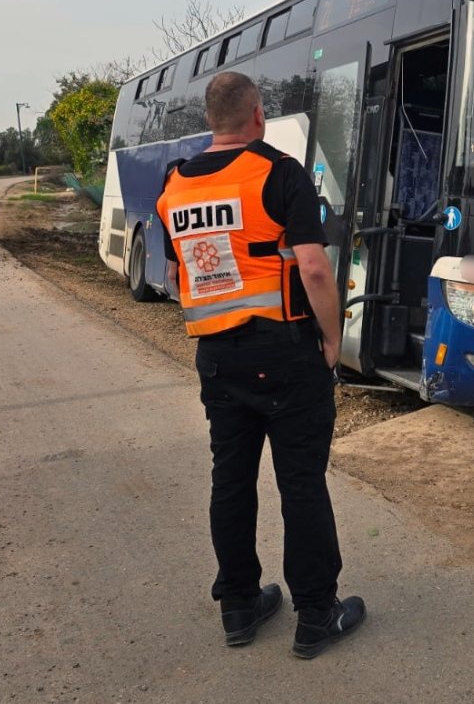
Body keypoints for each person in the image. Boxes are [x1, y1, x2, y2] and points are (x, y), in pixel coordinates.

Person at [156, 71, 365, 659]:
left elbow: (177, 275)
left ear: (208, 119)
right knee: (300, 483)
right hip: (286, 352)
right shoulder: (278, 172)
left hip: (218, 357)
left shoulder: (175, 184)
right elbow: (315, 269)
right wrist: (332, 339)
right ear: (256, 115)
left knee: (231, 479)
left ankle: (239, 607)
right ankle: (317, 615)